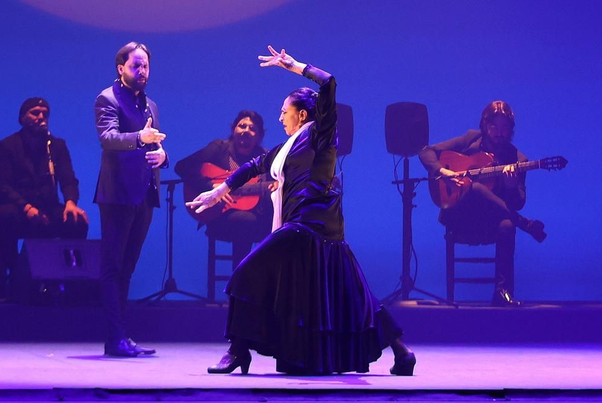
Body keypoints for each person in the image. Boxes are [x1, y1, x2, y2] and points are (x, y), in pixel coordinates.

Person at [188, 47, 415, 376]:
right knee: (352, 295)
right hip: (319, 228)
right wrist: (219, 191)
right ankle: (402, 352)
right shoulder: (287, 147)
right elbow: (255, 165)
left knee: (247, 274)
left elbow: (329, 83)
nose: (280, 117)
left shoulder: (321, 135)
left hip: (309, 225)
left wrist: (294, 66)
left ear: (303, 115)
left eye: (285, 112)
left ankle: (238, 350)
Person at [417, 101, 547, 307]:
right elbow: (426, 151)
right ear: (485, 126)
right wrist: (443, 172)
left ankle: (502, 292)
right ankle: (525, 224)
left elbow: (519, 202)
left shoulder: (518, 159)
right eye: (494, 127)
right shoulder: (471, 139)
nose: (499, 133)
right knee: (474, 188)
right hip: (461, 217)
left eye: (505, 128)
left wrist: (511, 186)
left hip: (489, 223)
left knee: (507, 225)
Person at [93, 42, 167, 358]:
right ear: (120, 68)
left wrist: (163, 156)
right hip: (118, 195)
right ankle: (115, 338)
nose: (142, 71)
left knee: (128, 267)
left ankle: (122, 335)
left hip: (144, 195)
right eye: (136, 65)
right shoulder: (108, 99)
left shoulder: (150, 105)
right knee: (113, 267)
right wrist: (140, 138)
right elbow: (108, 138)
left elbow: (155, 144)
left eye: (145, 65)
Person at [0, 97, 89, 298]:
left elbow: (68, 179)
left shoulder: (56, 146)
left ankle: (72, 286)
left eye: (45, 113)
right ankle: (10, 285)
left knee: (76, 221)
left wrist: (71, 202)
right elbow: (3, 184)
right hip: (17, 207)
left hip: (48, 206)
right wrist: (26, 207)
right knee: (6, 217)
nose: (41, 117)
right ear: (22, 118)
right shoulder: (7, 146)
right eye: (35, 112)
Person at [175, 110, 272, 260]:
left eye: (252, 128)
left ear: (259, 136)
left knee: (274, 221)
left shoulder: (264, 158)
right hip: (218, 216)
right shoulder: (219, 148)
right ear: (234, 130)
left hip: (255, 215)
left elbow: (272, 185)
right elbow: (182, 167)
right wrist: (211, 187)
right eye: (242, 126)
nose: (246, 130)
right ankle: (240, 273)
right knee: (245, 221)